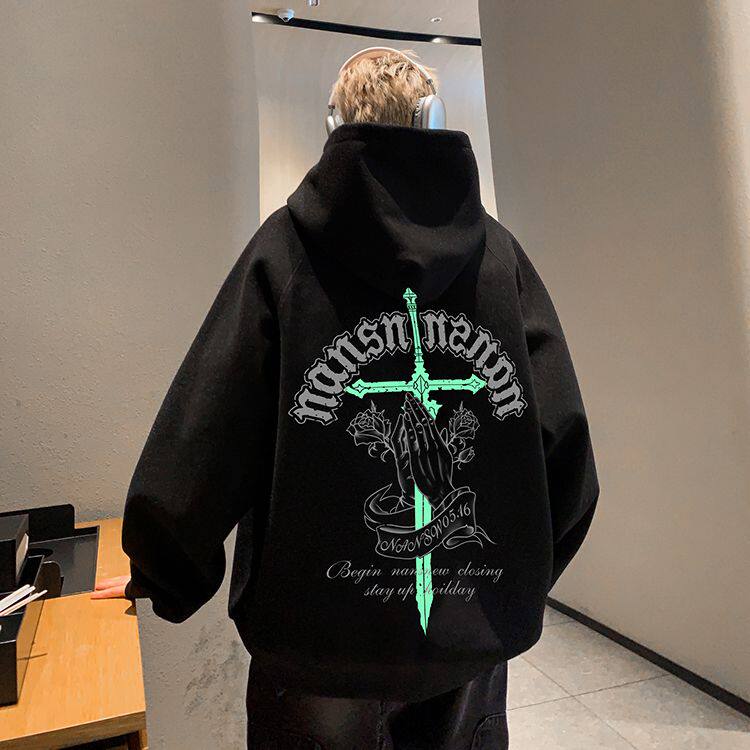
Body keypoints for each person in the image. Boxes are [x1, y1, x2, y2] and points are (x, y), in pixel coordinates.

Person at [94, 48, 599, 750]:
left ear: (335, 125)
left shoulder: (285, 253)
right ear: (432, 120)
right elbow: (565, 449)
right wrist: (504, 585)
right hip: (465, 643)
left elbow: (210, 426)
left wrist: (163, 567)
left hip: (315, 646)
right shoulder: (500, 260)